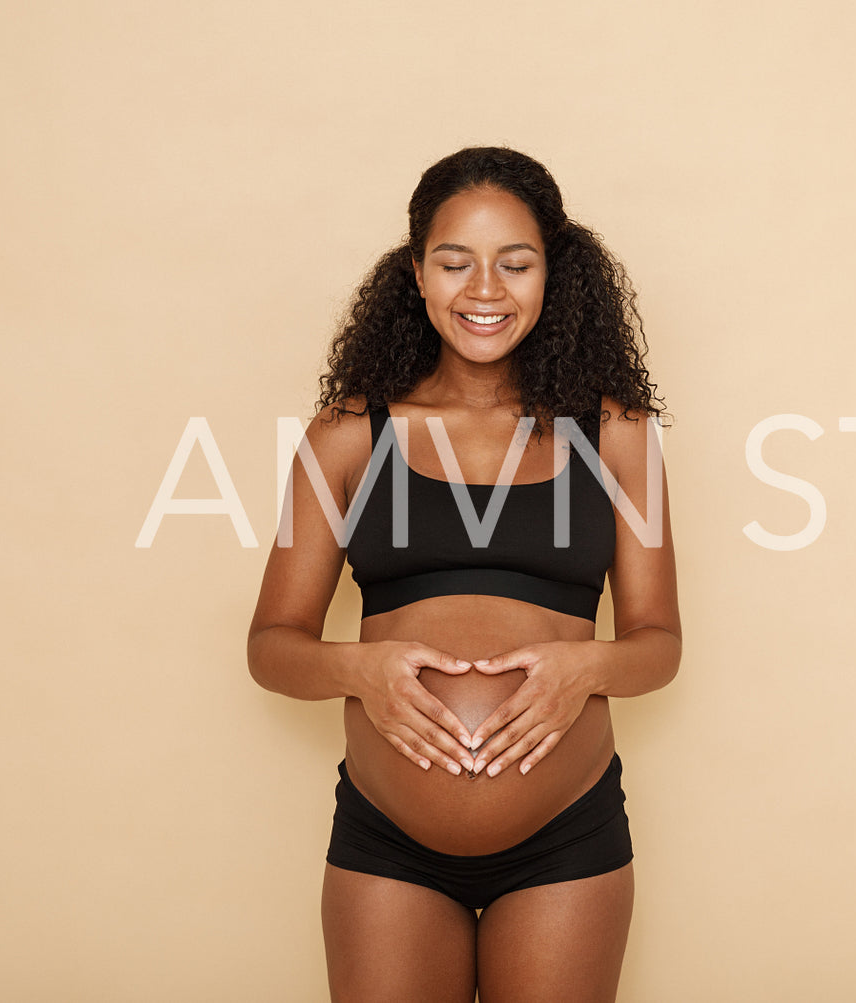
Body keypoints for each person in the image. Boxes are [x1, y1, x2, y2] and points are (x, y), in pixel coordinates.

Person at [247, 146, 680, 1002]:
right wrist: (356, 669)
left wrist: (585, 665)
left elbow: (660, 645)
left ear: (553, 273)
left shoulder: (616, 432)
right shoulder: (348, 435)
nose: (485, 288)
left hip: (566, 839)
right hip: (387, 843)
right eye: (455, 261)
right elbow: (270, 645)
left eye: (515, 263)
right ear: (415, 273)